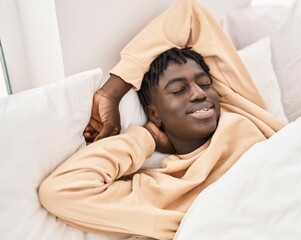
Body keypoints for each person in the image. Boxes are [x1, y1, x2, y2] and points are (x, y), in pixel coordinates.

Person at [38, 0, 284, 239]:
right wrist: (145, 139)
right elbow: (60, 192)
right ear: (155, 114)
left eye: (205, 83)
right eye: (178, 90)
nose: (199, 93)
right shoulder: (158, 190)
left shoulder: (245, 110)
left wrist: (111, 92)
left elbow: (190, 14)